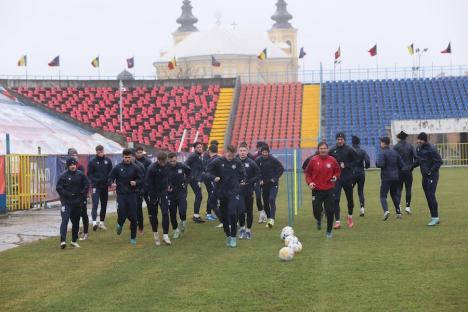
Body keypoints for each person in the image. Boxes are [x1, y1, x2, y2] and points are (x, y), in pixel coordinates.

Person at [207, 145, 246, 248]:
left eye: (233, 156)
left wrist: (242, 180)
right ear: (225, 152)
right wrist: (214, 177)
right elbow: (207, 171)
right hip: (221, 192)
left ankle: (233, 237)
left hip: (233, 192)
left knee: (233, 213)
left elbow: (243, 174)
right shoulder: (218, 161)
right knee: (224, 215)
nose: (231, 157)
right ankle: (228, 235)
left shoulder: (237, 162)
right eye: (229, 155)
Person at [304, 142, 341, 238]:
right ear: (318, 149)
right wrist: (310, 182)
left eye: (324, 148)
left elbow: (337, 171)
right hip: (316, 190)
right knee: (316, 211)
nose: (323, 150)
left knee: (330, 211)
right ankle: (319, 219)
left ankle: (329, 231)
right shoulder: (313, 160)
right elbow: (307, 173)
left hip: (329, 190)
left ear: (327, 149)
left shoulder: (332, 160)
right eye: (321, 148)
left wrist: (335, 177)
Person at [108, 148, 143, 245]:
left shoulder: (136, 167)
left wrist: (135, 182)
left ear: (132, 157)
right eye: (125, 157)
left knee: (133, 217)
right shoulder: (118, 167)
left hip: (132, 195)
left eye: (129, 157)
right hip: (121, 195)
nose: (127, 159)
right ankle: (120, 224)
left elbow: (141, 179)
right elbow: (110, 178)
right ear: (122, 157)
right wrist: (112, 184)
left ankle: (133, 238)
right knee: (122, 214)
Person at [56, 158, 89, 249]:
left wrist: (83, 193)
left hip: (77, 203)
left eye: (74, 164)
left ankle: (74, 241)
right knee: (65, 220)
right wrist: (67, 194)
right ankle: (63, 241)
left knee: (76, 222)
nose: (73, 166)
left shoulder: (81, 174)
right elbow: (58, 188)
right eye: (71, 165)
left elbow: (87, 184)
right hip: (66, 203)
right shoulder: (63, 176)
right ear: (68, 166)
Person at [413, 132, 443, 226]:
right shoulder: (418, 148)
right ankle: (433, 217)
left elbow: (439, 162)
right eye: (417, 139)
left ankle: (435, 218)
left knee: (431, 195)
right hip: (424, 176)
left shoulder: (431, 149)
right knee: (428, 197)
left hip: (432, 176)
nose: (417, 141)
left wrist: (430, 171)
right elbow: (419, 161)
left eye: (419, 139)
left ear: (424, 140)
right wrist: (409, 167)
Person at [329, 132, 357, 229]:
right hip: (337, 179)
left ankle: (350, 217)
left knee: (350, 199)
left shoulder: (349, 150)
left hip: (348, 178)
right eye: (338, 139)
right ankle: (337, 221)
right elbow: (328, 161)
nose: (340, 141)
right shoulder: (332, 150)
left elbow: (356, 161)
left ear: (344, 140)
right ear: (336, 140)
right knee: (335, 199)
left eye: (341, 139)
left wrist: (347, 165)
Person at [145, 151, 171, 245]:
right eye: (162, 162)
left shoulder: (167, 165)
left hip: (163, 193)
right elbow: (148, 184)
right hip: (153, 194)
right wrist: (152, 196)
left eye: (165, 161)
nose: (163, 164)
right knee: (154, 215)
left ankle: (165, 236)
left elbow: (168, 177)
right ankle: (156, 235)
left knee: (165, 213)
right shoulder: (151, 169)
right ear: (158, 160)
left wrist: (169, 185)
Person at [256, 144, 284, 228]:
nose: (264, 154)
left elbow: (281, 169)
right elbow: (256, 171)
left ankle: (272, 218)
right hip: (264, 185)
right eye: (263, 152)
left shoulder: (273, 160)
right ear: (261, 152)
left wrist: (275, 178)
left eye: (266, 152)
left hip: (273, 184)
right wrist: (260, 179)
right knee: (266, 202)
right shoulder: (258, 160)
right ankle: (268, 217)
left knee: (271, 199)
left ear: (268, 152)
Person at [376, 137, 404, 220]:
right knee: (394, 194)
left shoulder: (382, 153)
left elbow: (380, 164)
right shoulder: (395, 152)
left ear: (384, 143)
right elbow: (402, 164)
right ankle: (398, 212)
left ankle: (386, 211)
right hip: (395, 177)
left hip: (386, 177)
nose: (380, 144)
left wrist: (377, 163)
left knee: (383, 195)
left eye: (381, 142)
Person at [237, 142, 260, 240]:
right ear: (238, 151)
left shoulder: (251, 163)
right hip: (238, 192)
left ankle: (248, 231)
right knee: (241, 211)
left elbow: (258, 175)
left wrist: (248, 182)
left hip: (249, 191)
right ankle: (242, 228)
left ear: (247, 152)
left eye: (244, 151)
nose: (242, 152)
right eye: (241, 151)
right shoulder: (234, 162)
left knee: (249, 212)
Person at [87, 145, 113, 231]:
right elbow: (89, 174)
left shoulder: (108, 161)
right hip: (96, 186)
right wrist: (95, 181)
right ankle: (94, 222)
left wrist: (109, 182)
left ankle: (101, 222)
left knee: (104, 204)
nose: (100, 153)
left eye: (101, 151)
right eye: (98, 152)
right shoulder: (92, 162)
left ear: (103, 151)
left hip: (104, 186)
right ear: (96, 152)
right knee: (95, 203)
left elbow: (111, 173)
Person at [167, 152, 192, 239]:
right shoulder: (165, 168)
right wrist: (166, 186)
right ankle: (175, 230)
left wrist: (185, 183)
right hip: (170, 194)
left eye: (174, 161)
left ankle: (183, 220)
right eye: (171, 161)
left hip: (181, 192)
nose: (172, 163)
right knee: (172, 213)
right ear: (168, 160)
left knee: (182, 210)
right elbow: (161, 179)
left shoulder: (182, 166)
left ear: (176, 159)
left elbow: (189, 173)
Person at [67, 148, 89, 240]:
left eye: (75, 155)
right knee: (72, 214)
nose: (74, 157)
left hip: (81, 195)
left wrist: (84, 193)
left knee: (83, 213)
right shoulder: (67, 167)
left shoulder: (80, 167)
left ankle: (85, 233)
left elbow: (84, 182)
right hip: (71, 196)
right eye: (72, 155)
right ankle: (77, 228)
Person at [393, 131, 416, 214]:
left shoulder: (395, 147)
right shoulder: (410, 146)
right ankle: (408, 206)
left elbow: (393, 159)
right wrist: (412, 167)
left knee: (398, 188)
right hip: (408, 171)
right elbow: (416, 158)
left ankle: (398, 206)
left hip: (399, 171)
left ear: (399, 137)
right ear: (406, 138)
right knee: (408, 188)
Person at [185, 142, 205, 223]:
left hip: (196, 179)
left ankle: (196, 215)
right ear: (195, 148)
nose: (200, 148)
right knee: (199, 196)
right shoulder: (193, 156)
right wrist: (191, 175)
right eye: (198, 147)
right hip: (193, 179)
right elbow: (185, 164)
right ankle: (195, 216)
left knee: (199, 196)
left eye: (201, 147)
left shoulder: (199, 156)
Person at [351, 136, 370, 217]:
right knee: (360, 191)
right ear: (359, 143)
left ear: (352, 143)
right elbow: (368, 161)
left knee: (349, 191)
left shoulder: (350, 151)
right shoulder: (363, 151)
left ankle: (350, 208)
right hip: (361, 173)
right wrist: (366, 167)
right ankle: (362, 208)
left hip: (352, 173)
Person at [134, 147, 152, 234]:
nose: (139, 154)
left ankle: (151, 216)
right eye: (138, 152)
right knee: (138, 206)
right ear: (135, 153)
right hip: (138, 187)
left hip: (147, 186)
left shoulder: (147, 162)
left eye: (141, 152)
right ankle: (137, 222)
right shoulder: (132, 161)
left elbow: (150, 173)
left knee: (149, 202)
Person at [202, 140, 219, 221]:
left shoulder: (214, 156)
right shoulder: (206, 155)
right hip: (209, 178)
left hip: (213, 177)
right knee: (211, 195)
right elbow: (206, 168)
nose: (217, 146)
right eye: (215, 145)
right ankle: (208, 213)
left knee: (213, 195)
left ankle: (210, 212)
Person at [253, 141, 267, 223]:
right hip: (257, 180)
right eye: (260, 147)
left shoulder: (267, 155)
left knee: (266, 197)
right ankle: (261, 214)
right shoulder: (254, 157)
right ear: (258, 148)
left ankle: (264, 213)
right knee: (258, 197)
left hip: (266, 181)